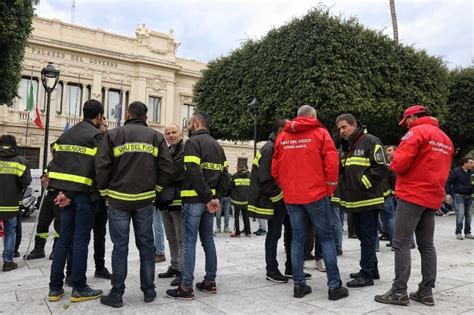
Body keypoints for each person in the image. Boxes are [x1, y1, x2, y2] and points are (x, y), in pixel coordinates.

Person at [96, 101, 174, 308]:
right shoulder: (156, 137)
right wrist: (156, 190)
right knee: (147, 246)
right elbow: (167, 167)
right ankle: (149, 290)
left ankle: (116, 294)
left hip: (118, 199)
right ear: (146, 117)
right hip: (145, 200)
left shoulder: (112, 135)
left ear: (128, 114)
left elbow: (102, 166)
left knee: (119, 247)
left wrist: (105, 192)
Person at [375, 104, 453, 306]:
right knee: (427, 245)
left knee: (401, 242)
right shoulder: (445, 139)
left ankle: (399, 291)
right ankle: (426, 291)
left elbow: (400, 164)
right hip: (432, 196)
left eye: (406, 121)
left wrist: (392, 162)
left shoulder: (415, 132)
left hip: (412, 194)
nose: (405, 126)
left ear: (413, 117)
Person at [271, 105, 348, 300]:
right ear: (313, 116)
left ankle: (299, 285)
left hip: (292, 196)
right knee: (327, 238)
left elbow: (275, 169)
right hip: (315, 194)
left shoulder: (283, 137)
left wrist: (286, 187)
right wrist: (329, 190)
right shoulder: (320, 133)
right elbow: (332, 163)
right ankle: (334, 287)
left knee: (297, 239)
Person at [166, 111, 228, 300]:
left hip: (194, 201)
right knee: (208, 241)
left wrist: (208, 197)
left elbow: (193, 171)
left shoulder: (193, 143)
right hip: (210, 203)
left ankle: (186, 287)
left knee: (189, 243)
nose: (188, 125)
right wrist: (215, 197)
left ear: (197, 122)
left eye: (190, 122)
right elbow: (225, 176)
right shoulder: (217, 146)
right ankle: (210, 282)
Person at [47, 100, 104, 302]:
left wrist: (62, 192)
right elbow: (98, 169)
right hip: (83, 196)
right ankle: (79, 286)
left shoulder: (66, 134)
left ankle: (54, 289)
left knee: (64, 239)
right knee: (80, 241)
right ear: (98, 116)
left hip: (65, 195)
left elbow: (56, 165)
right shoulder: (95, 136)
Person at [332, 113, 387, 288]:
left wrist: (363, 184)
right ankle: (372, 269)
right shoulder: (347, 145)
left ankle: (366, 275)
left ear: (354, 125)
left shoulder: (370, 141)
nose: (341, 131)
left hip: (368, 199)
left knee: (368, 237)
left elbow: (380, 168)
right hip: (355, 201)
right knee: (364, 237)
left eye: (344, 127)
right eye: (339, 128)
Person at [248, 118, 292, 283]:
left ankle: (291, 267)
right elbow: (265, 179)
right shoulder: (270, 148)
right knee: (274, 235)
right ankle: (271, 270)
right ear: (281, 131)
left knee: (291, 232)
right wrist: (280, 198)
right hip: (274, 200)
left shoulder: (275, 146)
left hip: (282, 198)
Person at [157, 123, 185, 287]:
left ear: (181, 134)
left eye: (174, 132)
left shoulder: (184, 150)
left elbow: (173, 172)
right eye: (168, 133)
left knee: (181, 239)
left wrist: (161, 174)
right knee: (171, 237)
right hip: (166, 200)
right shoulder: (167, 151)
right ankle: (174, 266)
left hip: (178, 200)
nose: (171, 135)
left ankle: (183, 270)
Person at [0, 135, 32, 272]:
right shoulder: (20, 161)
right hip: (11, 203)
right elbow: (26, 182)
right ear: (14, 144)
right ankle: (8, 261)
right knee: (10, 231)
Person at [24, 143, 61, 261]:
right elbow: (45, 173)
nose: (53, 153)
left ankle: (57, 250)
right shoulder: (51, 163)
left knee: (59, 225)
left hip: (59, 195)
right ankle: (39, 249)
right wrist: (43, 179)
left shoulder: (65, 163)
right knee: (42, 223)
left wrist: (52, 181)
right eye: (51, 151)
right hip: (48, 195)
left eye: (54, 151)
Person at [93, 117, 112, 280]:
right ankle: (73, 271)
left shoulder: (107, 143)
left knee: (100, 234)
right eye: (104, 125)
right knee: (81, 236)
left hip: (101, 197)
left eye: (107, 126)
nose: (106, 128)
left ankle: (100, 267)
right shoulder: (91, 140)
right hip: (88, 195)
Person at [446, 157, 473, 240]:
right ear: (465, 163)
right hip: (459, 196)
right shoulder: (456, 171)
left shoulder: (471, 172)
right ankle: (458, 232)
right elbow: (448, 182)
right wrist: (448, 194)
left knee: (469, 215)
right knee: (460, 214)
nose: (473, 164)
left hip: (469, 196)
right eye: (471, 162)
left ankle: (467, 232)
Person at [229, 164, 251, 238]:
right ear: (244, 168)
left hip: (236, 200)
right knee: (246, 216)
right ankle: (248, 232)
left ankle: (237, 232)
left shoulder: (235, 176)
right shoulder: (249, 175)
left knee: (236, 216)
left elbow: (230, 186)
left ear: (238, 168)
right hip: (246, 200)